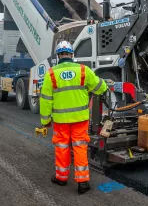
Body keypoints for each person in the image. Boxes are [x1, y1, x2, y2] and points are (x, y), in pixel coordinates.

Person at [40, 40, 108, 194]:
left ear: (58, 56)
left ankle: (61, 178)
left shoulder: (51, 74)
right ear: (72, 54)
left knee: (62, 147)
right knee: (80, 147)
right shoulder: (84, 70)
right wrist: (104, 84)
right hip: (80, 119)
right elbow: (100, 88)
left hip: (60, 121)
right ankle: (83, 182)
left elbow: (45, 100)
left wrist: (45, 121)